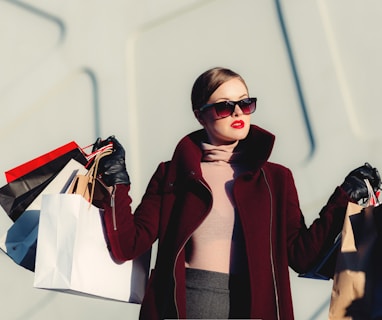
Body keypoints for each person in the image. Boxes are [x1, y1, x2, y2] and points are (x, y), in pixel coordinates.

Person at [93, 67, 381, 320]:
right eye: (223, 106)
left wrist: (344, 197)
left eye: (245, 103)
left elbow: (301, 256)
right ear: (200, 115)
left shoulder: (276, 179)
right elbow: (128, 244)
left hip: (255, 307)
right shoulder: (173, 174)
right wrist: (117, 182)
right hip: (186, 307)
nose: (237, 113)